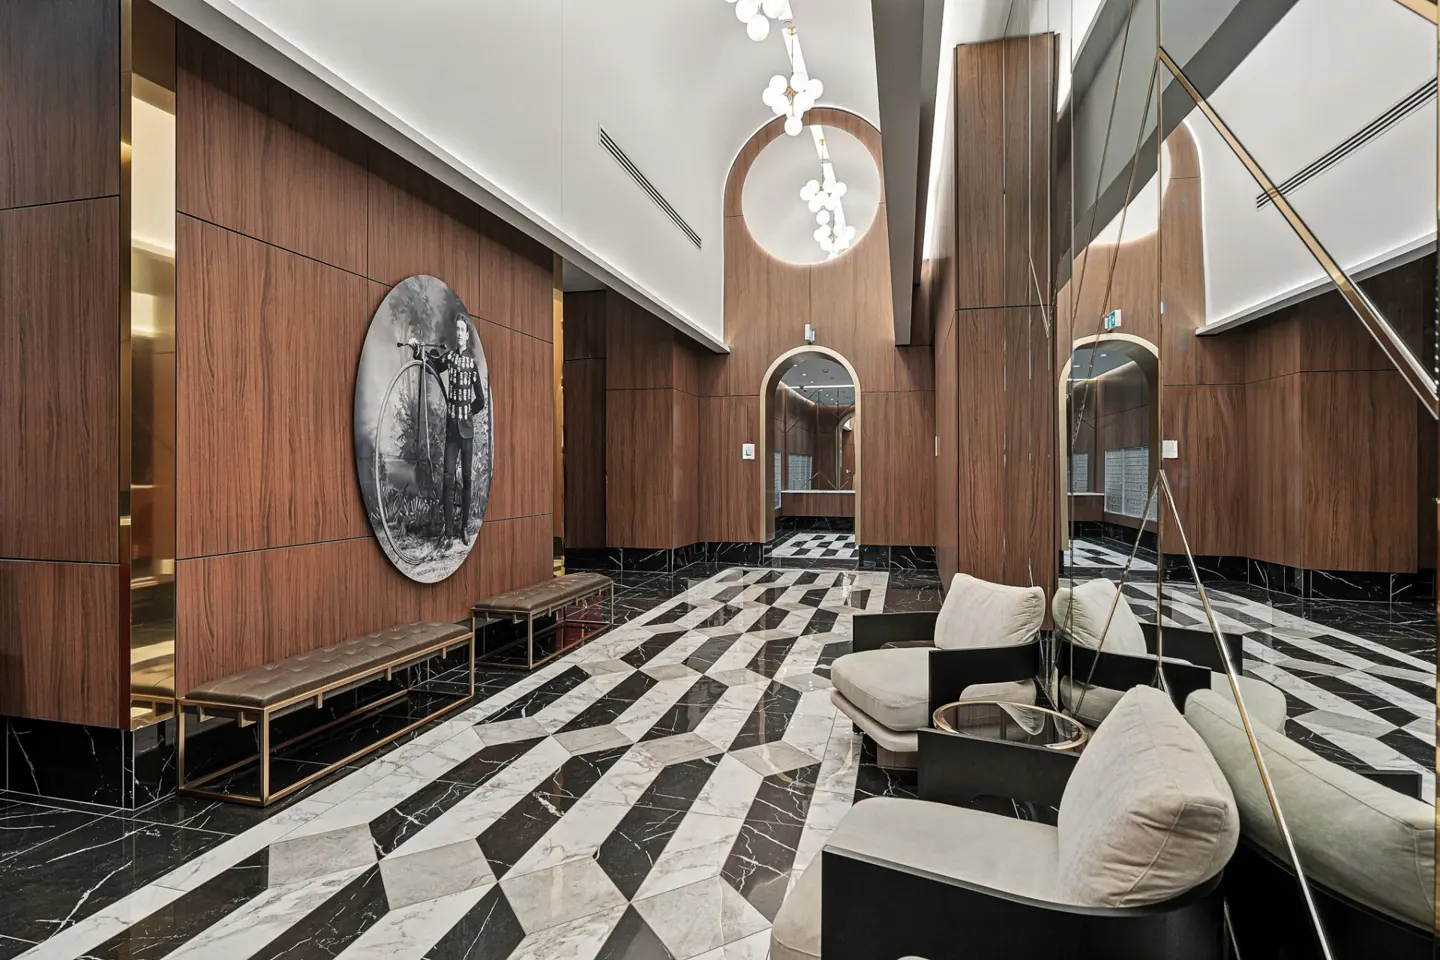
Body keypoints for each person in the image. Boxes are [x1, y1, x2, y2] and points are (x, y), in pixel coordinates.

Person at [408, 316, 485, 545]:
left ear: (467, 335)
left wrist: (467, 413)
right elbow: (431, 366)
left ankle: (463, 529)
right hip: (452, 430)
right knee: (448, 479)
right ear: (455, 334)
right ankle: (449, 531)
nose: (460, 333)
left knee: (468, 479)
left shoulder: (472, 365)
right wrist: (416, 350)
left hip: (467, 432)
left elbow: (480, 399)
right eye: (458, 330)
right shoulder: (449, 358)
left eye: (463, 330)